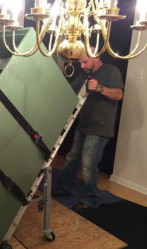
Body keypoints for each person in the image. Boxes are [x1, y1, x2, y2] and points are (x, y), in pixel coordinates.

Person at [52, 49, 124, 213]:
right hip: (83, 125)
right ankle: (64, 187)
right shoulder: (84, 74)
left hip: (100, 127)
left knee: (88, 164)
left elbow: (119, 94)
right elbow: (70, 92)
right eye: (80, 63)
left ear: (96, 57)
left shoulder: (110, 71)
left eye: (85, 62)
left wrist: (99, 88)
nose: (82, 66)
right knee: (72, 158)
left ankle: (91, 199)